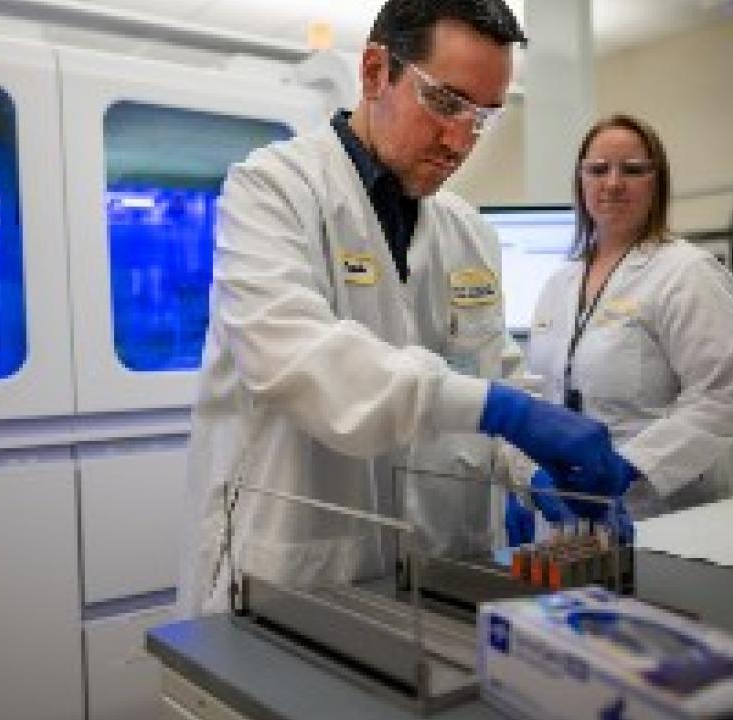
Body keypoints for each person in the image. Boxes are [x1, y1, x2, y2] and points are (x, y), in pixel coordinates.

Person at [175, 0, 635, 619]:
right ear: (374, 73)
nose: (460, 141)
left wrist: (539, 467)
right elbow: (296, 359)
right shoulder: (273, 190)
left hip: (446, 575)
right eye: (446, 103)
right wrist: (500, 409)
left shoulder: (468, 232)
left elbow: (493, 372)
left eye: (484, 118)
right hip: (299, 574)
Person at [520, 113, 733, 530]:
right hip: (568, 506)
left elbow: (718, 398)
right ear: (580, 181)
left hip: (659, 510)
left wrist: (629, 466)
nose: (612, 183)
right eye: (598, 170)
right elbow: (542, 390)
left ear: (656, 182)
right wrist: (527, 475)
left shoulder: (688, 273)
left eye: (632, 170)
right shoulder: (559, 282)